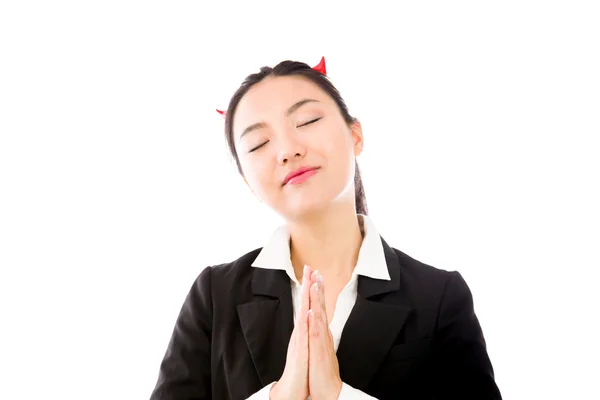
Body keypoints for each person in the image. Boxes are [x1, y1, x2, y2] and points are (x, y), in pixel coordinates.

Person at [149, 57, 502, 400]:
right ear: (247, 182)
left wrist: (339, 395)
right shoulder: (214, 296)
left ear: (355, 134)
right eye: (258, 144)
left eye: (307, 120)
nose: (287, 150)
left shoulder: (439, 297)